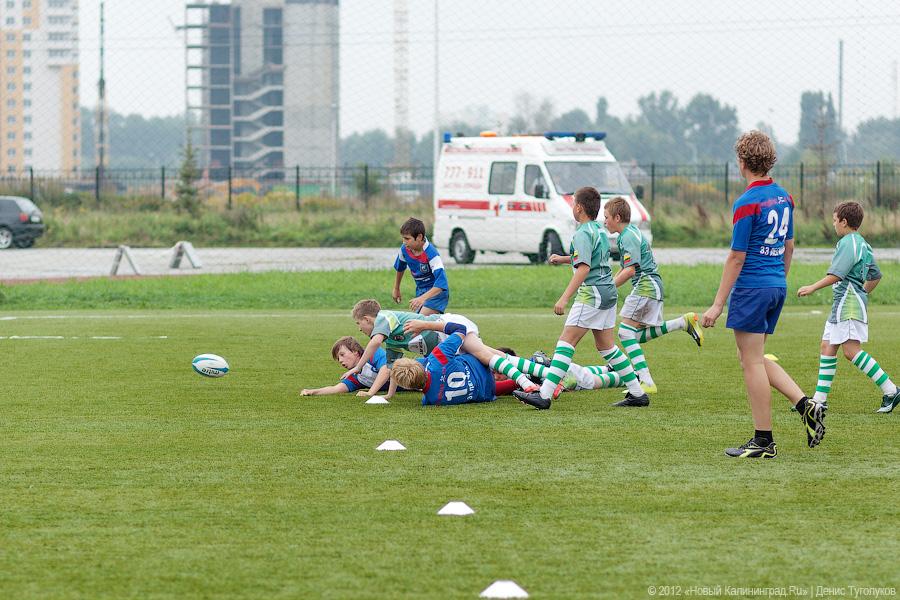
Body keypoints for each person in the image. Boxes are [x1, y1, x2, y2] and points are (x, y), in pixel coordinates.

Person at [701, 130, 824, 458]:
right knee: (751, 357)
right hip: (774, 285)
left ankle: (763, 441)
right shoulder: (784, 197)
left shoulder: (746, 203)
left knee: (751, 362)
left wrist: (716, 305)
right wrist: (778, 280)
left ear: (741, 162)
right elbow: (789, 245)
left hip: (753, 286)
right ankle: (805, 405)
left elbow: (736, 256)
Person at [513, 186, 650, 410]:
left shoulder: (582, 233)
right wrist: (564, 259)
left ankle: (544, 395)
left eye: (573, 203)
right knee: (607, 347)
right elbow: (590, 259)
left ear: (578, 207)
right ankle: (637, 392)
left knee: (565, 343)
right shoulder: (598, 230)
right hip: (608, 293)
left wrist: (564, 299)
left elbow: (584, 268)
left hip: (592, 293)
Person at [797, 201, 899, 413]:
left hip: (848, 304)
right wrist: (863, 293)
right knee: (827, 347)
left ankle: (891, 390)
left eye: (835, 220)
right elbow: (875, 276)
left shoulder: (848, 243)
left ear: (844, 221)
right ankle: (819, 400)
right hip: (846, 302)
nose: (833, 224)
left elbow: (837, 274)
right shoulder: (863, 243)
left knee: (851, 351)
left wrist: (812, 288)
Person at [603, 196, 704, 394]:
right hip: (650, 286)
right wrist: (610, 284)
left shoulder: (627, 237)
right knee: (634, 336)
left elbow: (630, 271)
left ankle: (646, 381)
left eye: (606, 217)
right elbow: (625, 268)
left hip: (646, 286)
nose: (604, 221)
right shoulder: (630, 233)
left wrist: (608, 288)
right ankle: (682, 323)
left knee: (624, 332)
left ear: (616, 217)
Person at [392, 217, 450, 315]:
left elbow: (442, 283)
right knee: (423, 326)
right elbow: (400, 267)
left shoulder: (432, 254)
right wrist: (396, 288)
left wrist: (422, 298)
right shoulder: (404, 249)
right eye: (403, 238)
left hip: (436, 293)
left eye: (407, 238)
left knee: (419, 323)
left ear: (419, 237)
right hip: (421, 291)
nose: (404, 242)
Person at [300, 336, 391, 398]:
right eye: (338, 358)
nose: (340, 360)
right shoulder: (356, 377)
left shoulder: (373, 353)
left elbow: (386, 370)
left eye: (342, 354)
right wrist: (312, 392)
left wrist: (370, 393)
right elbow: (337, 388)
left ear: (355, 351)